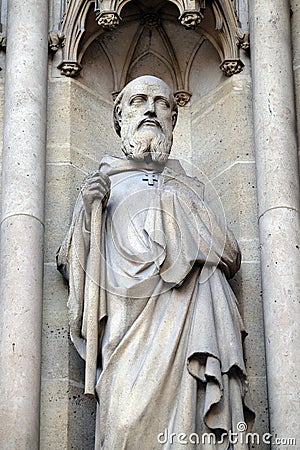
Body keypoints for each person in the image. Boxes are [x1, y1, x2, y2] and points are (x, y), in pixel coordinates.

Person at [57, 75, 254, 449]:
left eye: (162, 103)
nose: (150, 109)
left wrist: (185, 216)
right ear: (120, 119)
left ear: (173, 120)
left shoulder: (189, 187)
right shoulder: (104, 185)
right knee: (124, 424)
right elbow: (73, 264)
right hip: (127, 331)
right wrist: (87, 213)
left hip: (191, 321)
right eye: (138, 101)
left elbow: (230, 254)